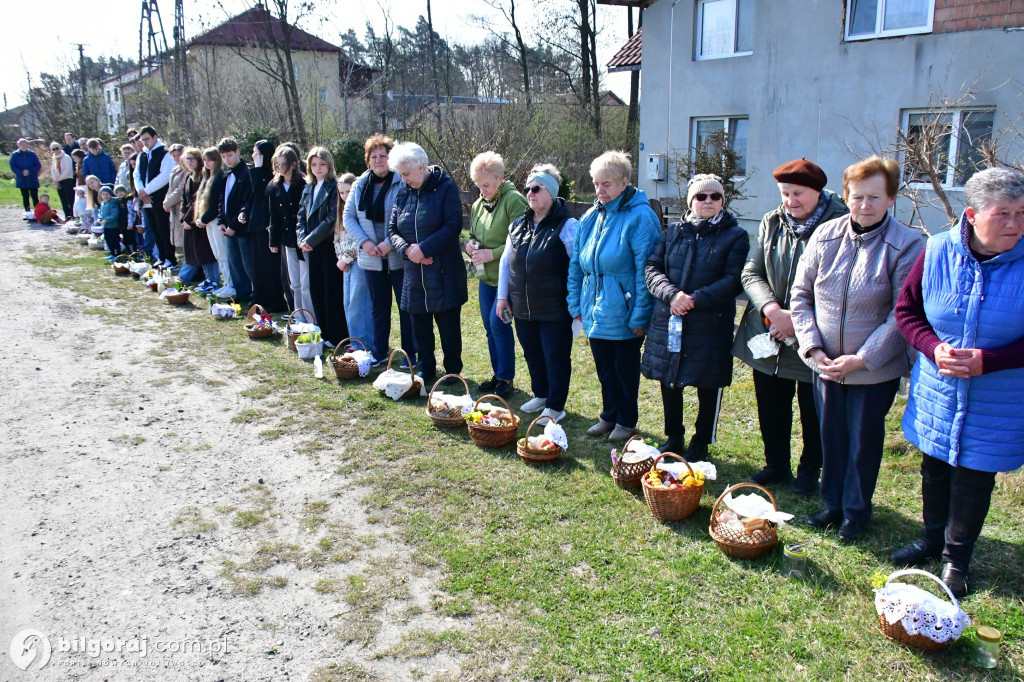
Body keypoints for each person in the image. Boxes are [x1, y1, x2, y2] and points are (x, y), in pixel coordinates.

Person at [891, 167, 1024, 598]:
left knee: (974, 474)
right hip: (940, 387)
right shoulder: (937, 250)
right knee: (934, 465)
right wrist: (933, 348)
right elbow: (908, 313)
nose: (1015, 224)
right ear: (971, 214)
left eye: (1022, 213)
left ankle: (956, 559)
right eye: (1003, 214)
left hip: (997, 395)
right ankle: (931, 540)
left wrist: (991, 360)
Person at [791, 156, 925, 543]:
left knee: (862, 441)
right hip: (826, 364)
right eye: (857, 196)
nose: (864, 205)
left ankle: (855, 512)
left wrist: (862, 359)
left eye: (874, 197)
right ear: (846, 196)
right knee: (829, 434)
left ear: (891, 199)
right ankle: (831, 504)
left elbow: (903, 312)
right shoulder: (825, 235)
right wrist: (814, 349)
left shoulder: (907, 244)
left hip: (872, 369)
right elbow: (801, 296)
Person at [733, 159, 850, 493]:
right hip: (768, 330)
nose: (790, 200)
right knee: (770, 403)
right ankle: (776, 464)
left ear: (817, 193)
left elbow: (840, 285)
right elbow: (751, 272)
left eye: (798, 193)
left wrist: (796, 322)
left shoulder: (840, 225)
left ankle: (810, 469)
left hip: (815, 336)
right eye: (785, 193)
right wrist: (771, 309)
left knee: (814, 408)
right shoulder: (772, 221)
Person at [642, 175, 749, 459]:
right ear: (691, 201)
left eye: (715, 197)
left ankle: (701, 441)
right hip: (670, 318)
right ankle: (673, 437)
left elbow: (733, 279)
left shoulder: (734, 236)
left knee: (708, 382)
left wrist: (694, 300)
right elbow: (652, 268)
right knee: (670, 379)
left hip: (709, 324)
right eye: (701, 197)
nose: (708, 202)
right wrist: (672, 295)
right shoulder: (673, 231)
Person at [568, 151, 661, 442]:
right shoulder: (589, 217)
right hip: (594, 307)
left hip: (624, 308)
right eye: (596, 184)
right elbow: (576, 265)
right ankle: (609, 415)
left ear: (624, 182)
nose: (600, 190)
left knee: (624, 370)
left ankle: (626, 420)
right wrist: (575, 304)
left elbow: (646, 269)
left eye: (606, 183)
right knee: (604, 368)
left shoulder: (641, 217)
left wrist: (640, 314)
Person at [495, 164, 577, 422]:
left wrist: (577, 306)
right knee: (532, 352)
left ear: (551, 193)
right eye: (527, 188)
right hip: (522, 306)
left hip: (555, 307)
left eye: (536, 188)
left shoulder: (567, 225)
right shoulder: (518, 225)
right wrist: (502, 296)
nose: (530, 193)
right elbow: (506, 261)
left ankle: (555, 405)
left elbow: (578, 267)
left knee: (555, 356)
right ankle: (541, 394)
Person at [387, 142, 467, 383]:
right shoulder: (403, 192)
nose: (403, 179)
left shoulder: (446, 188)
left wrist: (425, 248)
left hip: (443, 270)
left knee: (448, 326)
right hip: (413, 272)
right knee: (419, 323)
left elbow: (453, 226)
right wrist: (407, 249)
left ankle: (453, 370)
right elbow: (392, 229)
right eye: (401, 174)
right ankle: (426, 365)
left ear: (421, 167)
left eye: (407, 174)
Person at [342, 134, 414, 366]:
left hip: (397, 256)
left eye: (383, 156)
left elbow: (406, 216)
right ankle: (379, 352)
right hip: (371, 258)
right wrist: (365, 243)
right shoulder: (360, 184)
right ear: (368, 160)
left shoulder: (401, 181)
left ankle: (409, 356)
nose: (378, 160)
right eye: (374, 156)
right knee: (379, 308)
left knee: (406, 309)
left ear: (391, 158)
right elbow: (348, 216)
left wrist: (388, 243)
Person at [468, 151, 528, 398]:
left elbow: (523, 240)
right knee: (489, 328)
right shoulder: (477, 205)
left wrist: (492, 254)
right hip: (486, 279)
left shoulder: (514, 200)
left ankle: (506, 377)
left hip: (507, 279)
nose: (483, 190)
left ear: (501, 178)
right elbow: (472, 235)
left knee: (498, 324)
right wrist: (470, 245)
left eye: (487, 185)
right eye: (479, 186)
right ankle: (497, 373)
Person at [297, 146, 345, 346]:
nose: (318, 168)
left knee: (331, 290)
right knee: (315, 288)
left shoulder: (333, 186)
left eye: (322, 164)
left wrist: (311, 239)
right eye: (314, 164)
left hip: (327, 245)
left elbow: (331, 218)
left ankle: (336, 335)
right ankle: (323, 332)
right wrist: (302, 238)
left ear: (329, 165)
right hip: (311, 247)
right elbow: (300, 216)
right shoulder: (308, 187)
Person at [242, 140, 286, 312]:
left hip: (267, 225)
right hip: (255, 224)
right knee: (257, 266)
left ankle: (274, 301)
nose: (253, 156)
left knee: (270, 267)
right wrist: (244, 211)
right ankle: (259, 299)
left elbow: (262, 191)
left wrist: (258, 168)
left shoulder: (272, 174)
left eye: (257, 153)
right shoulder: (257, 172)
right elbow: (251, 196)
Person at [334, 172, 375, 352]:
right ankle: (356, 339)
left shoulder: (359, 209)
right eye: (341, 193)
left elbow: (358, 238)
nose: (344, 196)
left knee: (360, 304)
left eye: (348, 191)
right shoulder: (341, 212)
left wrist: (345, 258)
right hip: (346, 263)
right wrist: (340, 257)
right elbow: (338, 238)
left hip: (358, 261)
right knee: (349, 303)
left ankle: (364, 343)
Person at [268, 145, 310, 315]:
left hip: (303, 239)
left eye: (282, 164)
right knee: (294, 283)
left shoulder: (304, 184)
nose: (279, 168)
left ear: (293, 164)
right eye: (276, 165)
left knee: (306, 282)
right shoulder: (275, 185)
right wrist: (273, 238)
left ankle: (310, 316)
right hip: (287, 239)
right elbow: (274, 215)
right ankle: (298, 315)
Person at [212, 137, 255, 300]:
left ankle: (255, 294)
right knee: (234, 263)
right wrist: (221, 221)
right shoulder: (226, 175)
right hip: (228, 227)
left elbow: (247, 201)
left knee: (248, 264)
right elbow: (222, 201)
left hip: (243, 228)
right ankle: (242, 293)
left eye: (229, 155)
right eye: (223, 157)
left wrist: (235, 225)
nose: (227, 160)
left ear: (237, 152)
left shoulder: (248, 173)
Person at [133, 126, 178, 268]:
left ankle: (170, 258)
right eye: (143, 139)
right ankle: (162, 257)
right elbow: (136, 175)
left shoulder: (165, 153)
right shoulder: (142, 155)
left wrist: (146, 191)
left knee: (163, 229)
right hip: (145, 199)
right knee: (153, 229)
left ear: (155, 137)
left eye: (147, 139)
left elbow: (164, 176)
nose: (145, 142)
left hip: (158, 198)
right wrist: (141, 191)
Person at [179, 147, 220, 291]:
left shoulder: (204, 176)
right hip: (190, 221)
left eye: (192, 159)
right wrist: (183, 217)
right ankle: (206, 278)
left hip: (199, 220)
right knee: (194, 252)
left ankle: (213, 279)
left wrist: (188, 218)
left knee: (206, 252)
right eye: (186, 159)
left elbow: (199, 199)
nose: (189, 162)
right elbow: (184, 200)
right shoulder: (189, 177)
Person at [196, 147, 228, 293]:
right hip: (208, 220)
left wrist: (205, 218)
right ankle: (226, 283)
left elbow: (216, 202)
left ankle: (230, 283)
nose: (207, 163)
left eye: (210, 160)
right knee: (217, 254)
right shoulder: (208, 177)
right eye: (205, 160)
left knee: (223, 254)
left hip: (215, 220)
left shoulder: (220, 176)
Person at [162, 143, 187, 250]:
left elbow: (180, 190)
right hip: (173, 209)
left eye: (179, 155)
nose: (177, 158)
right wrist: (166, 201)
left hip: (182, 208)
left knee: (183, 240)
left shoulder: (187, 170)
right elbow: (170, 188)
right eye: (174, 155)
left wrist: (167, 202)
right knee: (177, 241)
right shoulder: (174, 169)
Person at [10, 138, 41, 214]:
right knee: (25, 197)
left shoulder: (32, 154)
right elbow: (12, 166)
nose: (24, 146)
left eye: (25, 144)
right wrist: (21, 172)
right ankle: (28, 212)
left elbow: (38, 165)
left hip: (32, 178)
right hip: (22, 179)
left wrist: (29, 171)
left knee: (35, 196)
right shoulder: (15, 155)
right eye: (21, 144)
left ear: (27, 145)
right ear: (18, 145)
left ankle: (38, 213)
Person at [49, 142, 76, 218]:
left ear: (60, 148)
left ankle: (73, 214)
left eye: (57, 148)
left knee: (70, 199)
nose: (56, 150)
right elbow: (53, 170)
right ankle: (67, 215)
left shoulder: (66, 157)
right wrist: (55, 179)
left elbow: (68, 170)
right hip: (58, 181)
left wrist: (59, 179)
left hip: (67, 180)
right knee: (63, 199)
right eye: (53, 149)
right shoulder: (54, 158)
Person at [97, 186, 121, 257]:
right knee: (107, 240)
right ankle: (112, 253)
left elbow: (115, 214)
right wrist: (100, 218)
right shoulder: (103, 203)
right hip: (106, 226)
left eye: (107, 194)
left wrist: (106, 220)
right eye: (103, 194)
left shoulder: (113, 203)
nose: (105, 196)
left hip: (113, 226)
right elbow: (100, 213)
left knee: (114, 240)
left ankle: (117, 254)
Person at [114, 184, 136, 252]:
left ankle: (133, 252)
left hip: (128, 225)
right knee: (125, 239)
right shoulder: (119, 201)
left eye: (121, 191)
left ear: (125, 191)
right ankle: (129, 252)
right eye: (117, 192)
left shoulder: (128, 200)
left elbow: (131, 212)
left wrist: (130, 224)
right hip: (123, 224)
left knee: (131, 239)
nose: (119, 193)